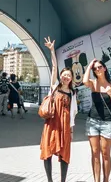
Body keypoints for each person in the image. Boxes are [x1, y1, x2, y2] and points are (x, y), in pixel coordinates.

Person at [40, 37, 78, 182]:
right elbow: (54, 67)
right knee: (47, 151)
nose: (66, 77)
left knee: (65, 154)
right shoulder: (54, 86)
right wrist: (52, 51)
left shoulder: (72, 93)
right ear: (61, 76)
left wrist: (72, 130)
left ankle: (63, 180)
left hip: (65, 126)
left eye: (69, 75)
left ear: (72, 78)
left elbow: (73, 113)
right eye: (64, 75)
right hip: (52, 124)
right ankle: (50, 180)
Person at [82, 59, 111, 182]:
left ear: (104, 68)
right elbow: (84, 81)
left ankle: (106, 180)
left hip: (107, 123)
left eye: (99, 67)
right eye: (95, 68)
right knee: (94, 153)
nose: (97, 69)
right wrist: (89, 65)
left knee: (105, 154)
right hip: (92, 121)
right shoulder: (93, 83)